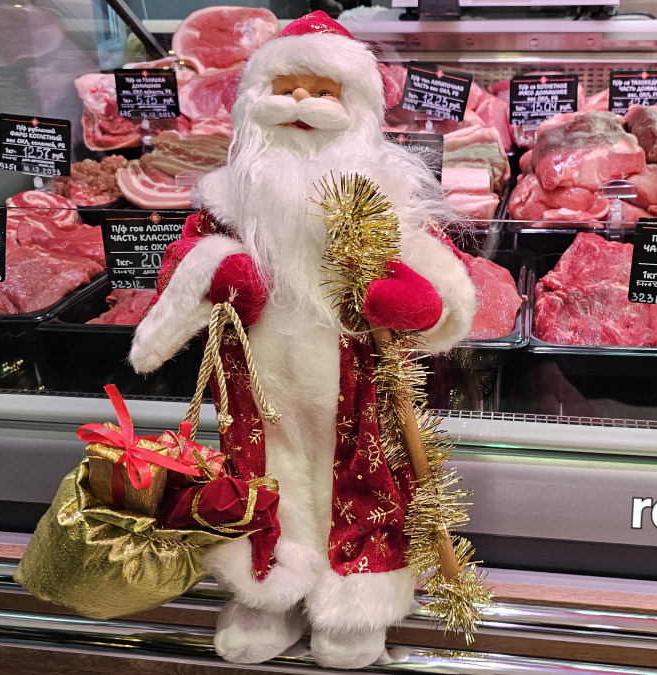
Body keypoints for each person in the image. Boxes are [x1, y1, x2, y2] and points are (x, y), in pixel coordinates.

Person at [129, 11, 476, 670]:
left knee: (365, 485)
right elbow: (181, 267)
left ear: (357, 110)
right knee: (263, 480)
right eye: (284, 88)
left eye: (321, 91)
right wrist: (217, 271)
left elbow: (447, 290)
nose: (298, 103)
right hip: (258, 391)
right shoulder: (227, 199)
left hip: (359, 390)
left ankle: (355, 605)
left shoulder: (387, 198)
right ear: (254, 101)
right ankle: (268, 594)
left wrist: (421, 304)